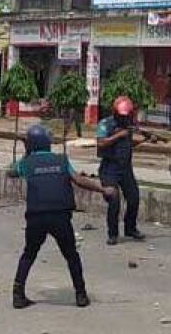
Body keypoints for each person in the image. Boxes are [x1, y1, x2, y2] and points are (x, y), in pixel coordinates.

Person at [11, 125, 114, 309]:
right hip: (60, 215)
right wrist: (102, 189)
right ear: (47, 143)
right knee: (71, 255)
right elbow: (79, 180)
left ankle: (18, 294)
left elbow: (11, 172)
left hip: (36, 216)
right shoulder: (61, 160)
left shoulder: (26, 164)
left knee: (29, 254)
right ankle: (81, 294)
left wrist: (26, 152)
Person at [97, 96, 155, 245]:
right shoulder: (105, 124)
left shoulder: (129, 125)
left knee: (134, 197)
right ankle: (113, 234)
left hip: (125, 168)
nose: (124, 118)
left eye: (127, 115)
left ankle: (130, 228)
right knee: (114, 200)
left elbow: (128, 144)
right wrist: (118, 135)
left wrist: (145, 139)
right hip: (109, 168)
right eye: (122, 115)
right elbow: (101, 143)